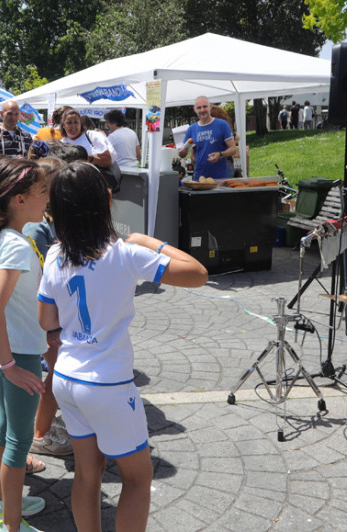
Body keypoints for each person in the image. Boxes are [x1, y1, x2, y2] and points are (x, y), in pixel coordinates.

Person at [37, 162, 208, 532]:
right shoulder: (125, 254)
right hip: (108, 383)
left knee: (87, 474)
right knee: (137, 478)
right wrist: (150, 241)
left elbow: (46, 321)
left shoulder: (53, 255)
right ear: (108, 201)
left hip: (65, 377)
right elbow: (197, 273)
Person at [0, 157, 48, 532]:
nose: (47, 198)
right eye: (42, 191)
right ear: (19, 199)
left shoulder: (6, 237)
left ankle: (1, 505)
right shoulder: (15, 244)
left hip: (7, 348)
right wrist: (10, 365)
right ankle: (11, 526)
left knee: (4, 432)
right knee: (18, 442)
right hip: (17, 353)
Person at [23, 157, 72, 457]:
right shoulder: (37, 225)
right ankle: (39, 433)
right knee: (55, 373)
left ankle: (38, 426)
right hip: (40, 315)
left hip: (42, 313)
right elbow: (44, 275)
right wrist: (52, 326)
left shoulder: (45, 218)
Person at [177, 96, 236, 181]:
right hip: (199, 178)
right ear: (195, 109)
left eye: (205, 106)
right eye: (199, 107)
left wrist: (220, 154)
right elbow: (182, 153)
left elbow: (233, 149)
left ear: (210, 107)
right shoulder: (192, 129)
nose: (202, 110)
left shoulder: (222, 125)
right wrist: (182, 153)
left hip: (220, 178)